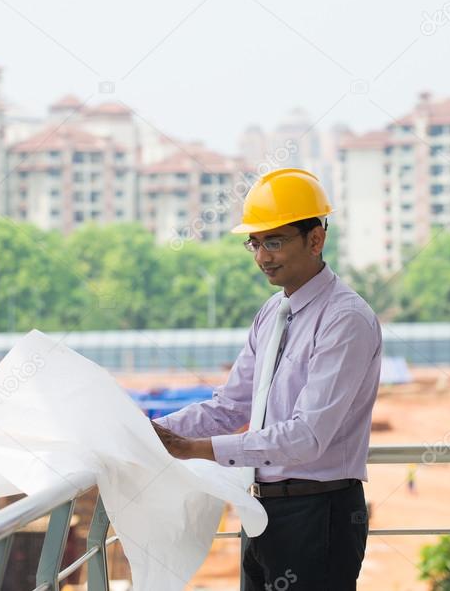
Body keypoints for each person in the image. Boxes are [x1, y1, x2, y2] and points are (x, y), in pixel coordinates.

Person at [152, 168, 383, 590]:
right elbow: (230, 406)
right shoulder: (273, 313)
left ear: (316, 239)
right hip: (262, 512)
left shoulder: (344, 319)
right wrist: (154, 431)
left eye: (274, 242)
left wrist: (195, 450)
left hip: (318, 515)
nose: (262, 257)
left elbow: (307, 437)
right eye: (254, 243)